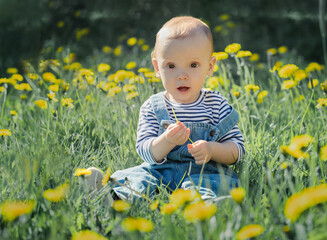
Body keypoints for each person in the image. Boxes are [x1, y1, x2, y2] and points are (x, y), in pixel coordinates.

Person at [86, 16, 245, 202]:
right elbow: (145, 150)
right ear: (157, 67)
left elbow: (237, 150)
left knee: (211, 184)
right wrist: (166, 141)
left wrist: (212, 149)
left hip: (205, 172)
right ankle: (115, 198)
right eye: (171, 66)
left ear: (210, 67)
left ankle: (207, 206)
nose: (182, 75)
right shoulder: (153, 107)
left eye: (193, 65)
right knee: (139, 179)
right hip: (160, 170)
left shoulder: (216, 104)